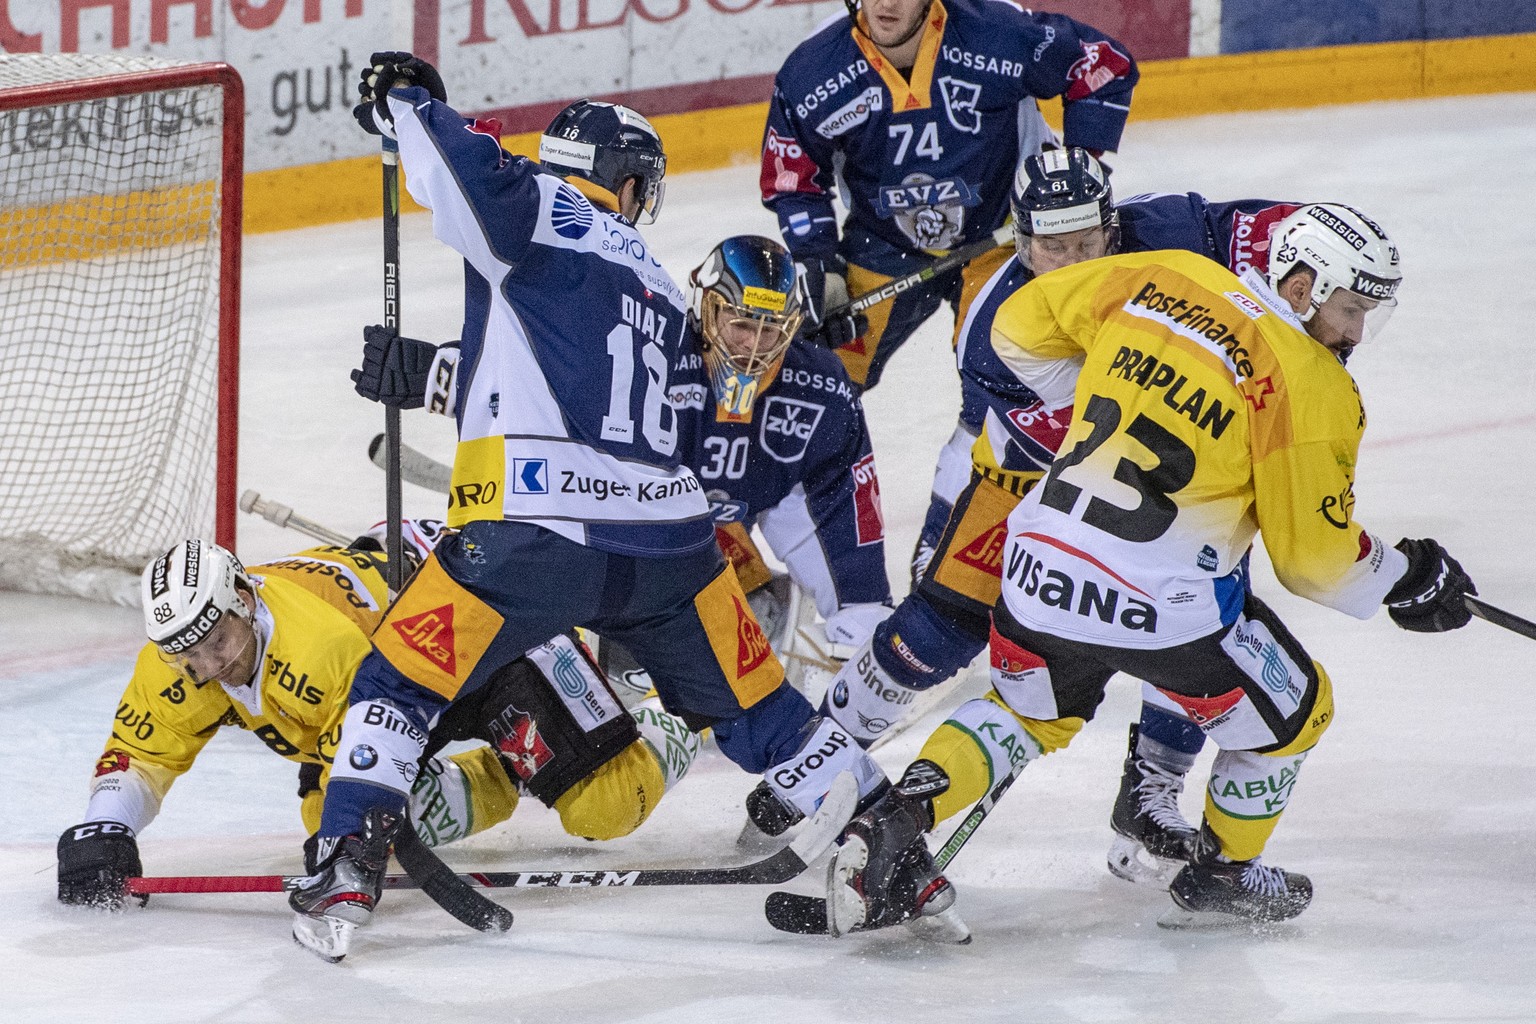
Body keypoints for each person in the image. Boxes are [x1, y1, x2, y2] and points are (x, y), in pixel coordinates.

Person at [305, 54, 895, 959]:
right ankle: (893, 842)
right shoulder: (662, 283)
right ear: (631, 183)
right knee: (760, 714)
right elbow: (576, 377)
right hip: (670, 548)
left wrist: (408, 103)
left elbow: (460, 165)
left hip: (530, 536)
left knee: (397, 679)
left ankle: (348, 859)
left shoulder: (542, 208)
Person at [828, 205, 1477, 934]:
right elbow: (1313, 562)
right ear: (1300, 286)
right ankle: (1223, 877)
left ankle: (888, 822)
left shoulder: (1167, 275)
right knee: (1298, 713)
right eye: (1351, 307)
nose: (1356, 333)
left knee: (1023, 715)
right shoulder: (1314, 384)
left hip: (1037, 569)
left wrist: (1094, 402)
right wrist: (1404, 574)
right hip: (1163, 612)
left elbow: (1015, 323)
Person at [55, 527, 700, 912]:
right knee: (337, 826)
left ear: (245, 602)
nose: (209, 666)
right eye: (187, 653)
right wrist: (105, 825)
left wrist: (351, 837)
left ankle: (686, 711)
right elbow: (142, 752)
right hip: (394, 677)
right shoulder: (184, 662)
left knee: (609, 806)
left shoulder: (320, 648)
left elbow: (367, 744)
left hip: (483, 634)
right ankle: (516, 769)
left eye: (217, 642)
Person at [761, 0, 1138, 391]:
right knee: (812, 378)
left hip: (1004, 234)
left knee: (1017, 382)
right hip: (884, 242)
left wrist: (1074, 176)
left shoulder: (996, 33)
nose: (886, 3)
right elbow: (794, 179)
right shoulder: (813, 70)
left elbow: (1101, 66)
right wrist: (817, 258)